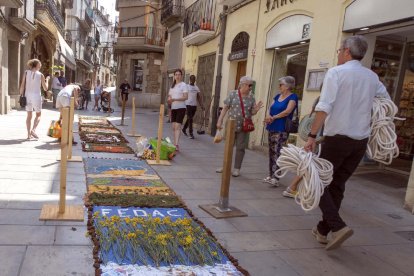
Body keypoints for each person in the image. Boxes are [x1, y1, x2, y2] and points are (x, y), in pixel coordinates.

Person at [304, 35, 390, 250]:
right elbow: (386, 101)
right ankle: (322, 231)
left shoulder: (336, 72)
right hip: (359, 141)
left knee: (319, 183)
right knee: (337, 185)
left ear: (347, 52)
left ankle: (338, 226)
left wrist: (312, 136)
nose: (338, 53)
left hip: (337, 140)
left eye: (339, 50)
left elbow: (324, 106)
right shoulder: (371, 77)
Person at [216, 76, 263, 177]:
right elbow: (225, 108)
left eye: (251, 85)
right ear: (243, 84)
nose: (251, 87)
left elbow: (252, 112)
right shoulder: (233, 94)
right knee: (228, 146)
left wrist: (256, 110)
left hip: (243, 126)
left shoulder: (251, 97)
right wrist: (219, 121)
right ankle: (225, 166)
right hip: (231, 124)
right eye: (249, 85)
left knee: (240, 147)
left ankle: (237, 169)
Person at [283, 96, 321, 198]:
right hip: (318, 141)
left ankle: (298, 188)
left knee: (311, 165)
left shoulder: (319, 99)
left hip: (315, 139)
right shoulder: (324, 100)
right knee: (310, 165)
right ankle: (292, 188)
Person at [263, 76, 298, 187]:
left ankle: (276, 177)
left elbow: (287, 111)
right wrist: (268, 116)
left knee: (277, 152)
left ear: (287, 86)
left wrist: (274, 117)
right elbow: (270, 107)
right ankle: (270, 175)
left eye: (281, 84)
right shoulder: (277, 96)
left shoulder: (293, 97)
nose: (279, 86)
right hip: (271, 126)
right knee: (271, 151)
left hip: (281, 128)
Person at [19, 59, 50, 140]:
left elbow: (22, 85)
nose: (40, 66)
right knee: (38, 114)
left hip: (27, 96)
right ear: (36, 65)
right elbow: (45, 88)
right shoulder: (40, 75)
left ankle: (28, 135)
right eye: (40, 65)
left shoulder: (26, 72)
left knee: (29, 116)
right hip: (36, 96)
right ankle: (33, 130)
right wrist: (47, 80)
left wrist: (21, 95)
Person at [167, 69, 188, 151]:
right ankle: (174, 143)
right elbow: (169, 96)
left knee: (177, 126)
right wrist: (169, 99)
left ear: (181, 76)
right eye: (176, 74)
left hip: (181, 108)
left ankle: (176, 144)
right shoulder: (172, 86)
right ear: (174, 76)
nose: (177, 76)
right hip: (174, 108)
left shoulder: (183, 85)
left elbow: (186, 97)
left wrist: (175, 99)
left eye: (179, 74)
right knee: (173, 127)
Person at [182, 75, 204, 139]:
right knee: (190, 119)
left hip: (194, 105)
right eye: (191, 79)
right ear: (190, 80)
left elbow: (198, 97)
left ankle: (184, 129)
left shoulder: (196, 88)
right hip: (188, 104)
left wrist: (201, 105)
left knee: (190, 118)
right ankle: (191, 133)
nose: (192, 80)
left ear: (195, 80)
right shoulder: (187, 87)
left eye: (194, 79)